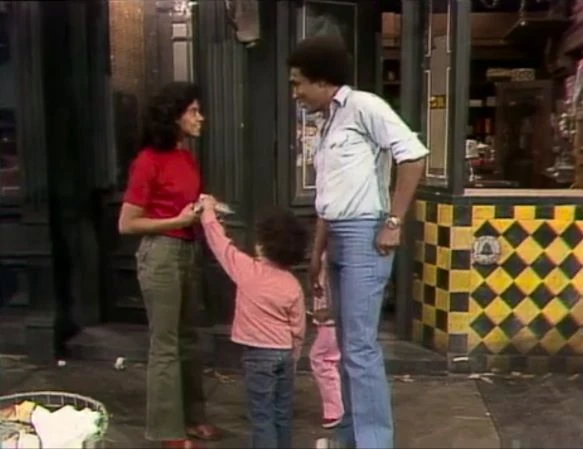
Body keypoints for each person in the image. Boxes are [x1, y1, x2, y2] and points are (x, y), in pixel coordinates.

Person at [287, 36, 429, 449]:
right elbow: (330, 195)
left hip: (365, 234)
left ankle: (374, 442)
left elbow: (413, 156)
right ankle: (351, 437)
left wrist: (394, 221)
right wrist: (317, 253)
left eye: (298, 83)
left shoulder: (365, 106)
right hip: (336, 235)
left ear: (321, 80)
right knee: (347, 346)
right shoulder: (328, 120)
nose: (295, 93)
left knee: (361, 348)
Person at [118, 82, 221, 449]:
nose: (200, 117)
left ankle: (193, 416)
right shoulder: (148, 161)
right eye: (193, 111)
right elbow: (127, 223)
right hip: (160, 254)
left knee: (188, 339)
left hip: (188, 251)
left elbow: (183, 206)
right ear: (174, 117)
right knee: (165, 345)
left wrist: (205, 208)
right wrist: (178, 220)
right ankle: (167, 432)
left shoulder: (186, 158)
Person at [198, 195, 308, 449]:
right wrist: (294, 355)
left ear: (262, 246)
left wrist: (208, 213)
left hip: (258, 355)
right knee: (282, 414)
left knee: (262, 416)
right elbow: (299, 326)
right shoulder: (293, 284)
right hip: (285, 354)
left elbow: (220, 244)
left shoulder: (248, 270)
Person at [309, 251, 343, 430]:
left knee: (322, 359)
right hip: (330, 318)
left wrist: (331, 310)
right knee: (330, 359)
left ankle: (335, 409)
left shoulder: (336, 250)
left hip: (331, 319)